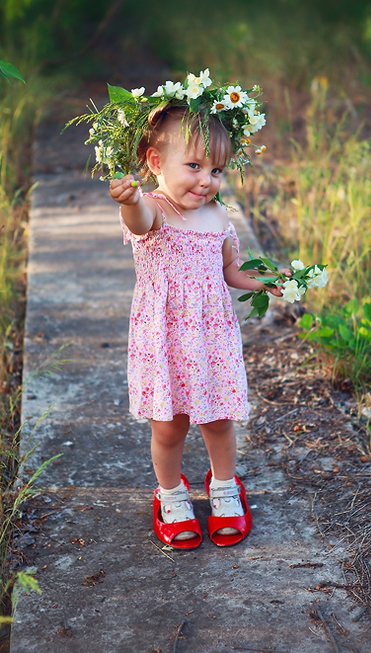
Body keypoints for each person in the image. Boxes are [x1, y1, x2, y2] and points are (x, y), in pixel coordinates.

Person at [102, 72, 284, 548]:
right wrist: (129, 200)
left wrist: (265, 280)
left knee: (219, 420)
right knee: (169, 426)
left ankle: (224, 486)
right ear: (155, 162)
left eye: (217, 170)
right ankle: (171, 493)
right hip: (164, 339)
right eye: (194, 166)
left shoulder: (219, 215)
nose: (206, 180)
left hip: (211, 336)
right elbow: (138, 222)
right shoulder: (154, 208)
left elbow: (231, 270)